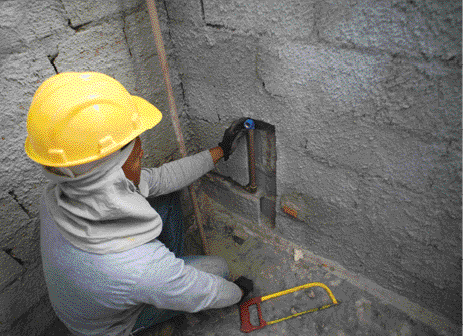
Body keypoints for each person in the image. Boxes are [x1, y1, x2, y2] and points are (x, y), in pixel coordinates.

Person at [24, 72, 254, 336]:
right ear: (108, 176)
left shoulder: (61, 193)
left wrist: (221, 150)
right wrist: (239, 293)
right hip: (112, 326)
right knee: (219, 269)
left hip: (101, 297)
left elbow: (160, 178)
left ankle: (165, 280)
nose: (142, 153)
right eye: (135, 156)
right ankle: (164, 287)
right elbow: (206, 293)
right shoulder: (136, 267)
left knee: (165, 194)